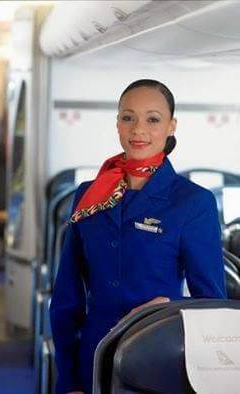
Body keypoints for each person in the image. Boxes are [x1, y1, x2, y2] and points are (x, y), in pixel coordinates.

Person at [49, 79, 226, 394]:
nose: (138, 129)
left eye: (153, 119)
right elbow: (66, 297)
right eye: (128, 117)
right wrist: (69, 379)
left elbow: (212, 305)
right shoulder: (88, 195)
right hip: (93, 359)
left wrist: (168, 305)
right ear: (117, 124)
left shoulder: (192, 202)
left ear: (171, 126)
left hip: (159, 363)